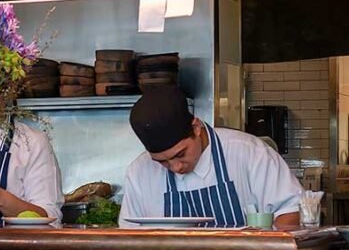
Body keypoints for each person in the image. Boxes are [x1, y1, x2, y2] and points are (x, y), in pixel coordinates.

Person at [120, 86, 301, 229]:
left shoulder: (250, 153)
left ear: (196, 127)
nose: (176, 167)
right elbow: (129, 235)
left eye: (180, 154)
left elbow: (291, 212)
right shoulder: (139, 171)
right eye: (162, 162)